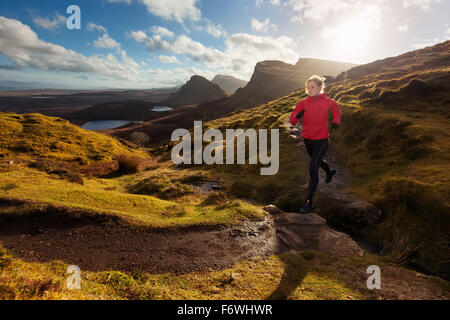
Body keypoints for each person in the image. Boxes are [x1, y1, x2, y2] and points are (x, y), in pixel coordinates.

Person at [289, 75, 341, 213]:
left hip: (322, 140)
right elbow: (292, 120)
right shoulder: (302, 103)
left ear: (319, 87)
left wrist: (336, 121)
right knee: (317, 161)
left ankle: (309, 201)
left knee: (313, 167)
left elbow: (336, 109)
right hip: (308, 140)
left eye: (312, 87)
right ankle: (329, 172)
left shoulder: (328, 102)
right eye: (308, 87)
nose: (310, 90)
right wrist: (297, 117)